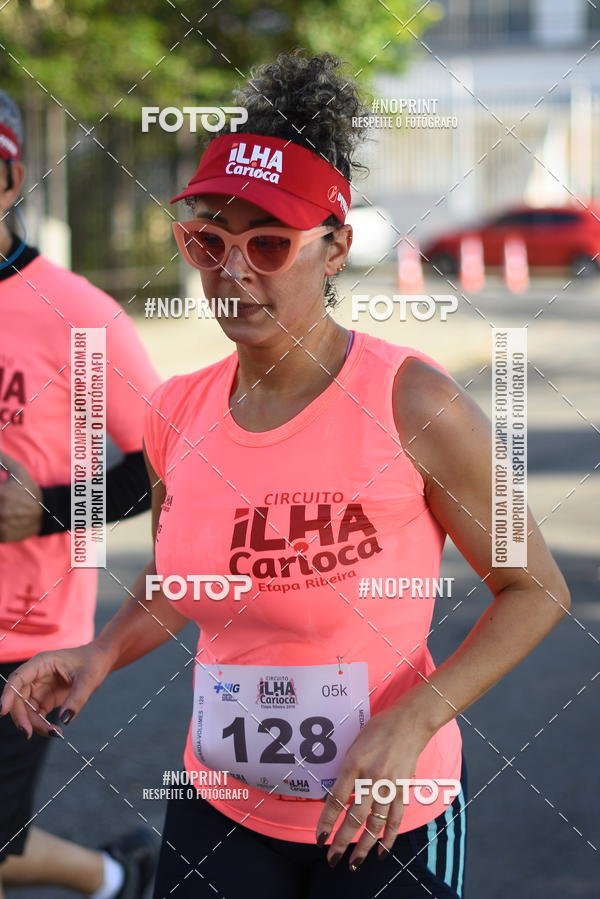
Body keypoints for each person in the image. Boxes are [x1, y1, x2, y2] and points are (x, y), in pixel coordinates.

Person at [0, 52, 571, 899]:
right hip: (220, 803)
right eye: (207, 241)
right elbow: (184, 574)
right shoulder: (178, 412)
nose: (233, 271)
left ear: (334, 246)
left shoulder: (412, 399)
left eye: (269, 243)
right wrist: (97, 654)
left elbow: (536, 589)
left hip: (385, 812)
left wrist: (412, 718)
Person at [0, 90, 161, 898]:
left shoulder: (76, 316)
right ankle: (114, 875)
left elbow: (170, 464)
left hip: (21, 635)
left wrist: (49, 509)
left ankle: (113, 875)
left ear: (9, 176)